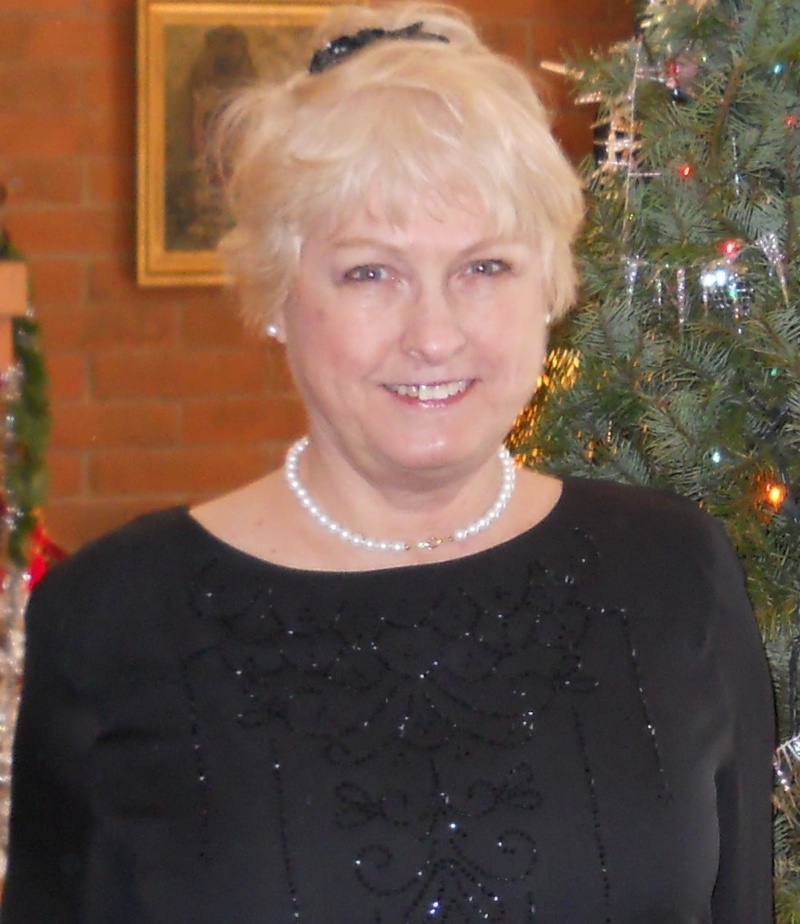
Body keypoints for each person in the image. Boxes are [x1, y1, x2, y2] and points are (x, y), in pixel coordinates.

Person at [1, 3, 775, 922]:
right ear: (279, 295)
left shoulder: (674, 576)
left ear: (551, 286)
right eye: (371, 272)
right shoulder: (113, 619)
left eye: (484, 267)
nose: (434, 335)